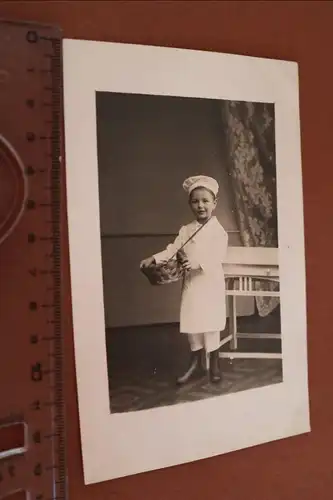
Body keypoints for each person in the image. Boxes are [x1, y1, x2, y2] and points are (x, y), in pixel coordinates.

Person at [140, 175, 228, 385]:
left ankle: (214, 363)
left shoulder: (219, 231)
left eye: (205, 201)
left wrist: (198, 264)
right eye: (195, 201)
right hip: (192, 285)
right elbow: (172, 249)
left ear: (214, 204)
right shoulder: (185, 230)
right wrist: (154, 258)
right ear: (190, 204)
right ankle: (196, 363)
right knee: (193, 322)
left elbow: (218, 256)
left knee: (210, 323)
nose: (200, 205)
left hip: (209, 282)